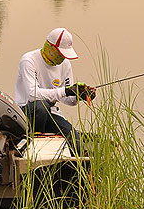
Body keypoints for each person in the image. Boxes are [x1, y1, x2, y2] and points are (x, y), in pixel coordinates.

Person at [14, 27, 96, 155]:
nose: (62, 58)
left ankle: (81, 166)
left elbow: (67, 100)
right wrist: (66, 91)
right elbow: (32, 95)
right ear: (50, 47)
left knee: (75, 140)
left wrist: (80, 95)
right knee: (41, 106)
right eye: (60, 54)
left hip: (51, 113)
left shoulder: (65, 65)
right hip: (27, 111)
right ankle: (33, 145)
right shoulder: (29, 60)